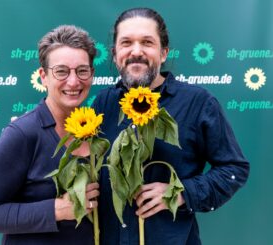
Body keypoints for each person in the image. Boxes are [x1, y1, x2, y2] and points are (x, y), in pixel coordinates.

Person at [92, 7, 250, 245]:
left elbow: (234, 169)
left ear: (163, 52)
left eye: (147, 42)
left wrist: (181, 193)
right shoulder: (104, 102)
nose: (136, 51)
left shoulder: (198, 103)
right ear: (115, 54)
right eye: (126, 43)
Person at [0, 25, 99, 245]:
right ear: (43, 76)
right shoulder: (22, 134)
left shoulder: (97, 131)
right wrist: (56, 210)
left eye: (82, 70)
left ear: (92, 74)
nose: (73, 81)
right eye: (61, 71)